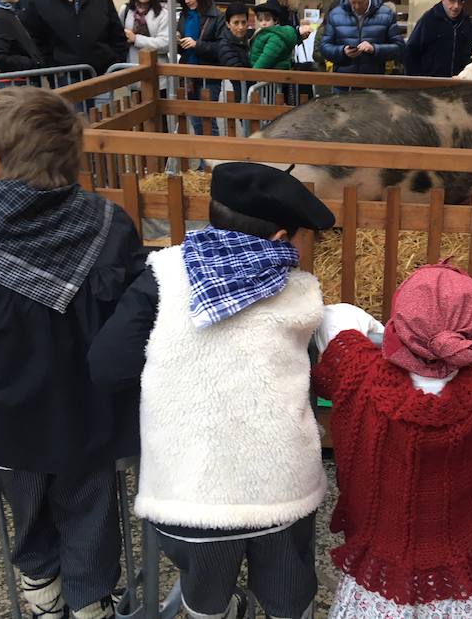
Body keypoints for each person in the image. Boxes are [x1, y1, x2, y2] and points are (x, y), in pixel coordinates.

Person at [89, 162, 336, 619]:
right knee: (288, 594)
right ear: (282, 238)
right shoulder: (302, 293)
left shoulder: (161, 277)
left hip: (190, 492)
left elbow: (108, 367)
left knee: (204, 597)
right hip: (281, 491)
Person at [0, 87, 146, 619]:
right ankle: (90, 600)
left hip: (5, 417)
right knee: (91, 515)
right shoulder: (109, 224)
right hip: (91, 416)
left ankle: (41, 586)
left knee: (25, 508)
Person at [313, 262, 472, 618]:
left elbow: (337, 316)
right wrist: (467, 331)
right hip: (461, 581)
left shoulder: (361, 372)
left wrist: (381, 333)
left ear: (400, 328)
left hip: (380, 578)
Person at [320, 0, 404, 76]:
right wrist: (342, 51)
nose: (357, 6)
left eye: (361, 1)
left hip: (374, 80)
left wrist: (374, 49)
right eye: (353, 1)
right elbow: (324, 48)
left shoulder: (386, 14)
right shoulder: (335, 14)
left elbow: (399, 48)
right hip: (343, 80)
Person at [177, 0, 224, 137]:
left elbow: (221, 48)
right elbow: (182, 48)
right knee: (196, 121)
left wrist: (197, 45)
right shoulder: (184, 16)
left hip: (209, 75)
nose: (187, 1)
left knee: (208, 120)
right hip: (189, 75)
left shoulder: (216, 16)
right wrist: (178, 41)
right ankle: (203, 154)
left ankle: (214, 153)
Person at [404, 0, 472, 77]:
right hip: (430, 79)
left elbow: (469, 52)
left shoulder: (465, 21)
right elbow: (411, 50)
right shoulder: (429, 19)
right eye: (452, 1)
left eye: (461, 2)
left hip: (458, 79)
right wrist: (416, 78)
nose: (456, 6)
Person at [118, 0, 170, 89]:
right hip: (133, 75)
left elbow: (165, 44)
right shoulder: (125, 10)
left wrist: (136, 39)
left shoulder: (162, 14)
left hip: (158, 77)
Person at [218, 2, 254, 102]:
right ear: (228, 24)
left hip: (250, 94)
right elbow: (239, 73)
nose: (241, 27)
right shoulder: (224, 45)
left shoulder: (251, 37)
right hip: (238, 97)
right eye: (236, 23)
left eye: (243, 22)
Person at [250, 0, 297, 70]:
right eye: (260, 20)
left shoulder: (276, 37)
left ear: (275, 20)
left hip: (272, 74)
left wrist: (253, 73)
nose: (263, 23)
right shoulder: (261, 33)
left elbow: (266, 59)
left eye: (267, 20)